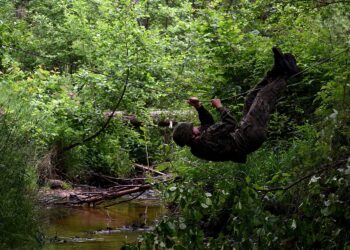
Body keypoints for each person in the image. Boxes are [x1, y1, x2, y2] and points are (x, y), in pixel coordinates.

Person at [172, 47, 300, 163]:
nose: (196, 127)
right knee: (262, 97)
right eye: (193, 128)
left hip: (245, 137)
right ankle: (286, 73)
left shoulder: (197, 146)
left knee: (250, 98)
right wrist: (219, 107)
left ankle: (276, 71)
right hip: (249, 135)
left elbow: (208, 124)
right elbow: (230, 123)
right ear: (192, 135)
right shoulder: (205, 138)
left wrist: (198, 106)